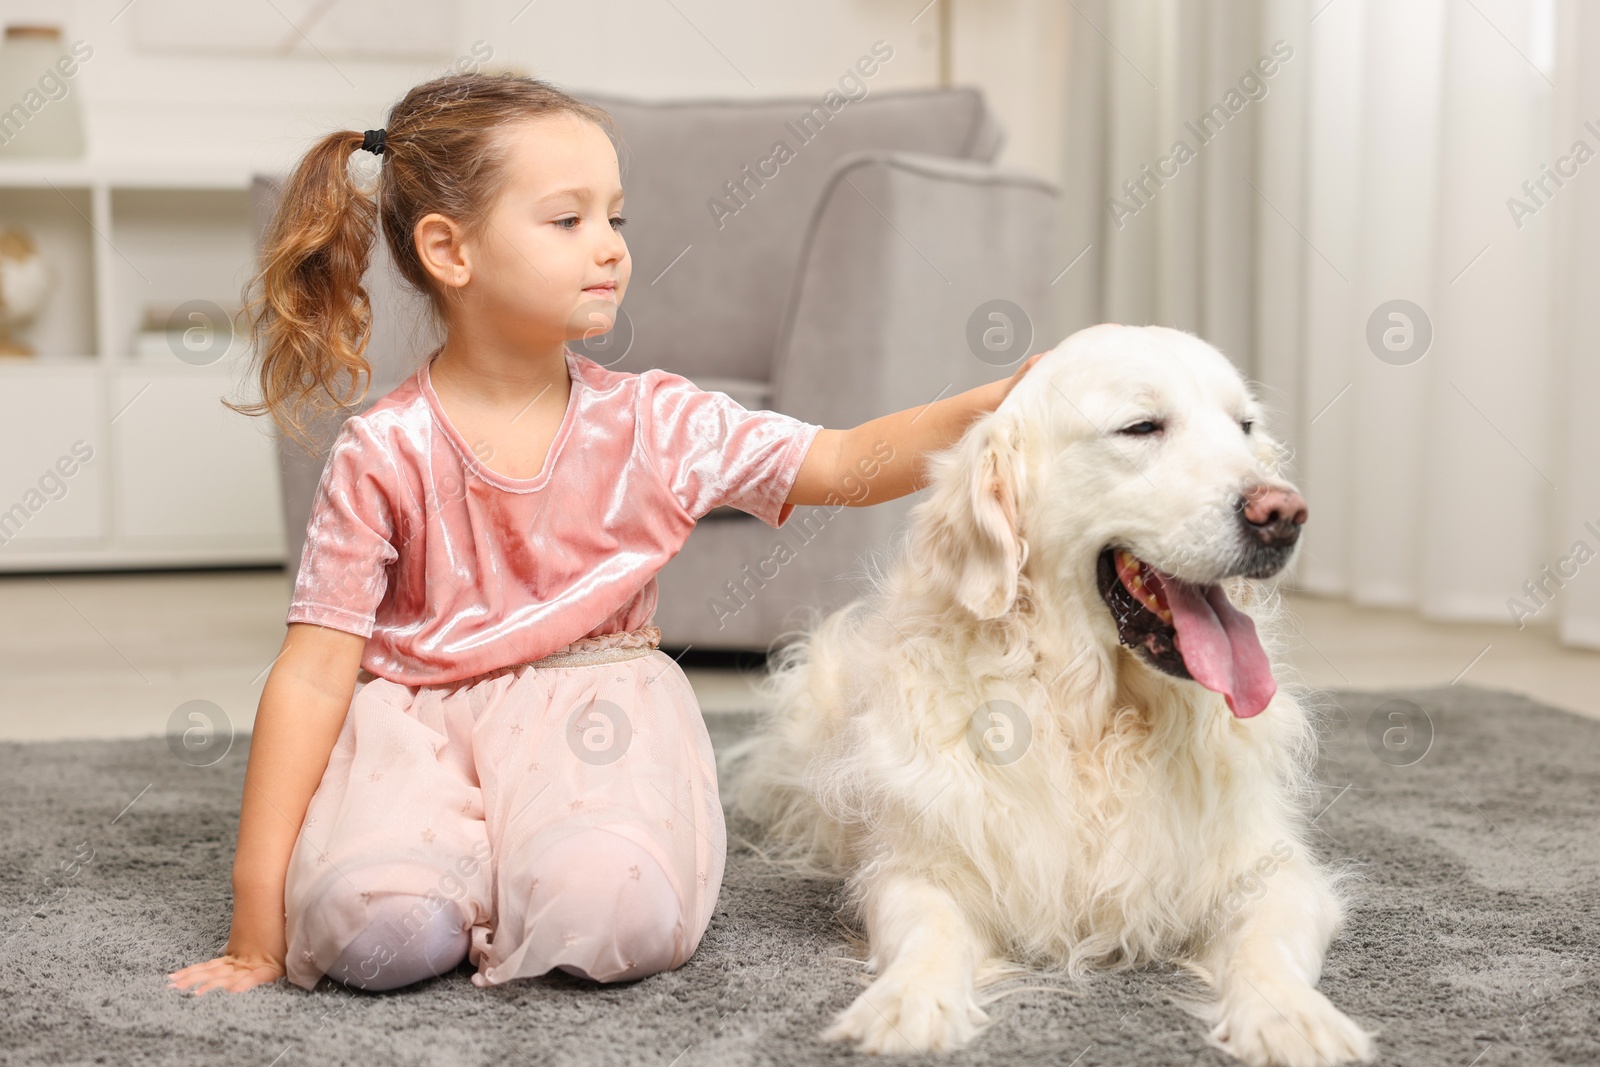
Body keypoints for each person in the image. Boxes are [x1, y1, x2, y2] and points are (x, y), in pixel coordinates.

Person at [165, 71, 1043, 997]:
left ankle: (537, 868)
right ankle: (448, 879)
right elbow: (311, 673)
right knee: (372, 935)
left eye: (615, 220)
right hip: (419, 728)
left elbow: (842, 460)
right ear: (448, 250)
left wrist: (992, 406)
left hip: (595, 723)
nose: (609, 249)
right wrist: (256, 922)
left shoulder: (654, 422)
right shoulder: (381, 451)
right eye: (567, 220)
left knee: (609, 908)